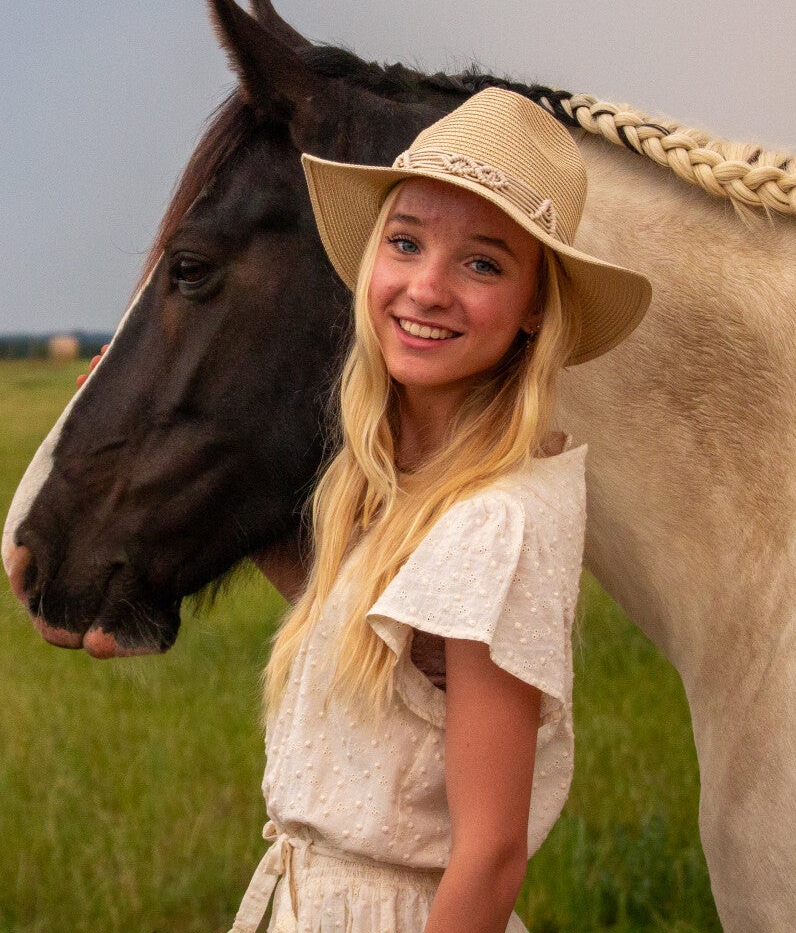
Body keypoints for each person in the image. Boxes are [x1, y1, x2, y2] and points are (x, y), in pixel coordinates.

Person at [227, 87, 653, 933]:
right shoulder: (395, 482)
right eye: (407, 242)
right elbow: (379, 655)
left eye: (482, 264)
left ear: (536, 309)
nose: (426, 288)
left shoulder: (495, 524)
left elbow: (490, 858)